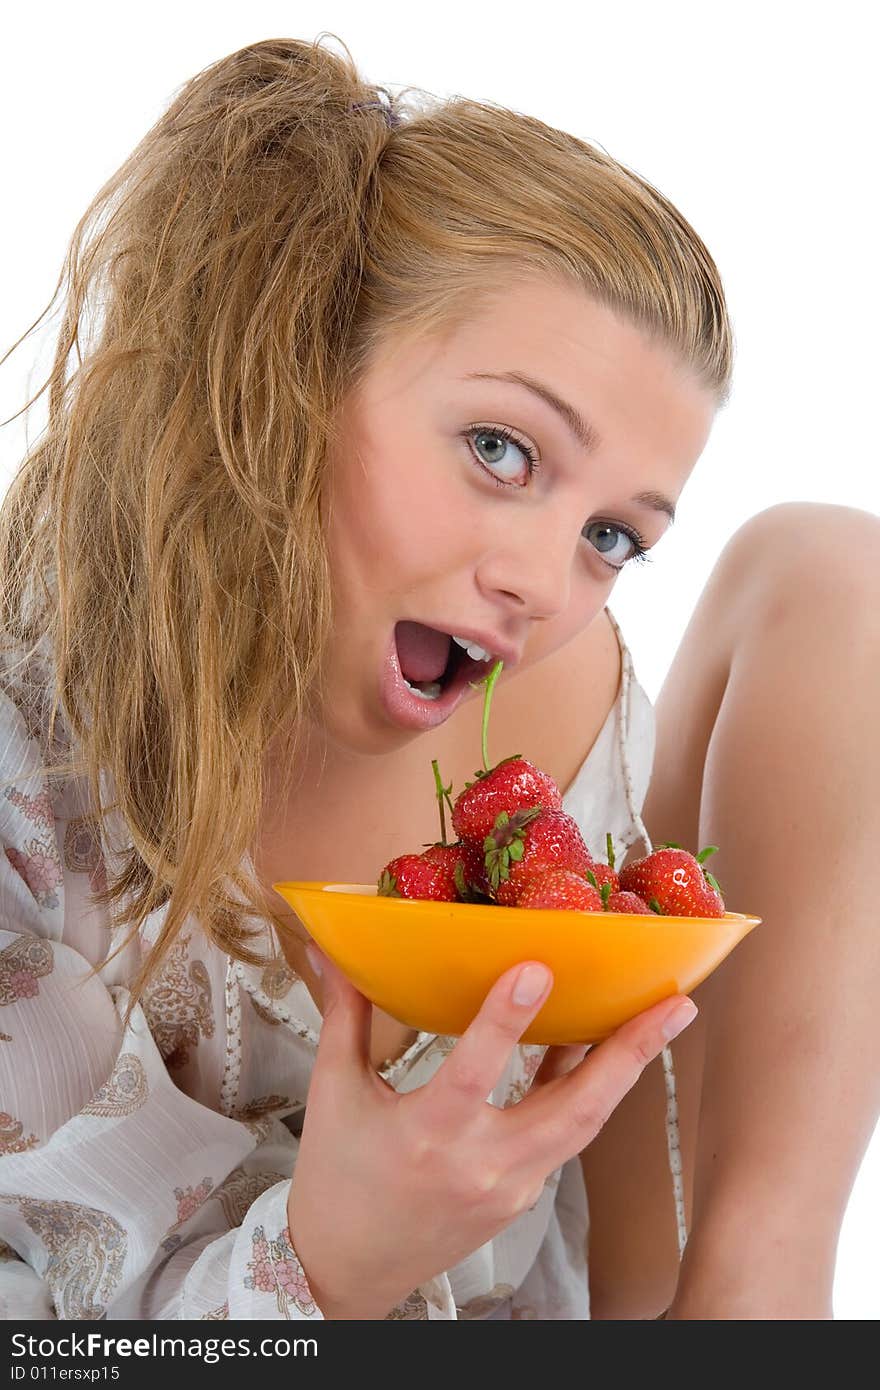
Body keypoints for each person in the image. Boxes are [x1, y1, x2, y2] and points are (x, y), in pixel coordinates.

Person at [0, 35, 877, 1322]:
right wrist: (330, 1262)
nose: (546, 582)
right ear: (290, 376)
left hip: (576, 1312)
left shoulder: (558, 703)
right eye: (501, 449)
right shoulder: (37, 769)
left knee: (832, 563)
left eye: (613, 536)